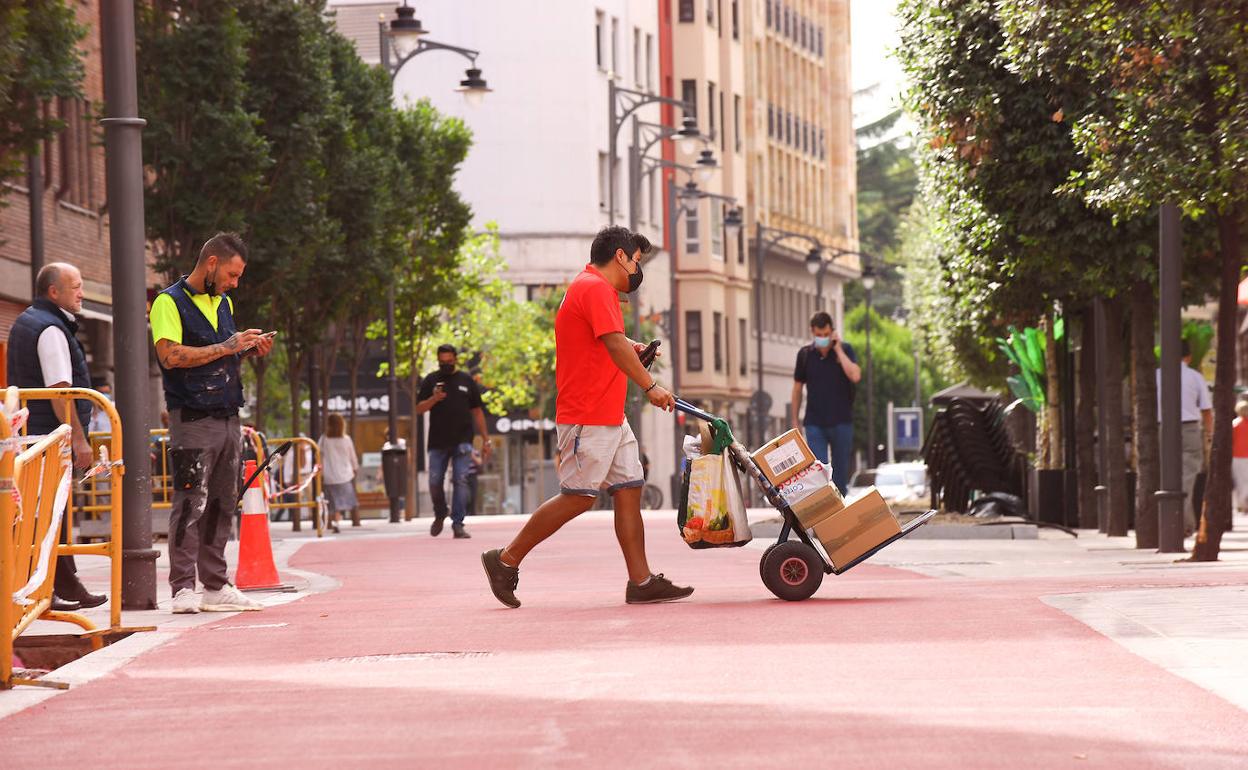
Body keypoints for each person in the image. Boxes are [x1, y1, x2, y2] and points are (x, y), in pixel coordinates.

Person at [481, 225, 689, 608]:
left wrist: (635, 347)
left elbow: (610, 339)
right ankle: (505, 560)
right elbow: (610, 341)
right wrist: (650, 386)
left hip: (609, 412)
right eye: (637, 262)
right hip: (587, 414)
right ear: (621, 257)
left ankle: (641, 582)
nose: (637, 271)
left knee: (629, 489)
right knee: (577, 497)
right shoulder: (593, 288)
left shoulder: (594, 288)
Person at [150, 232, 273, 613]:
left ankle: (216, 585)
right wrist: (229, 346)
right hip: (192, 418)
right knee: (190, 501)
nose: (234, 283)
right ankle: (183, 588)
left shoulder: (223, 303)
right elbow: (170, 356)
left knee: (222, 502)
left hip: (227, 417)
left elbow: (220, 359)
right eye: (232, 275)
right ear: (213, 263)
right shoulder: (167, 303)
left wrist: (247, 351)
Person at [6, 263, 106, 610]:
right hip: (49, 437)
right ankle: (46, 589)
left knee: (49, 513)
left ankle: (64, 583)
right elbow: (60, 390)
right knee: (49, 514)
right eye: (76, 287)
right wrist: (77, 439)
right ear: (54, 292)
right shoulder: (50, 329)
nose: (81, 293)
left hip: (33, 434)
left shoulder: (28, 321)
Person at [416, 344, 492, 539]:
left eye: (449, 362)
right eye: (442, 362)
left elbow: (477, 411)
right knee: (434, 481)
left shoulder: (466, 380)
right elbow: (419, 408)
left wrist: (486, 439)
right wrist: (434, 398)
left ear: (455, 359)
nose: (446, 365)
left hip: (463, 441)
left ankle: (458, 523)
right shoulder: (431, 380)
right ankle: (440, 512)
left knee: (460, 480)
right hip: (437, 442)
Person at [790, 311, 861, 495]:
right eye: (818, 335)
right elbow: (797, 389)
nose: (822, 338)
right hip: (815, 423)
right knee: (819, 473)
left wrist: (837, 350)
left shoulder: (845, 350)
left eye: (826, 335)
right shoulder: (805, 355)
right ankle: (823, 516)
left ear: (832, 332)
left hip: (842, 422)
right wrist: (794, 420)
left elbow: (855, 376)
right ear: (812, 332)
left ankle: (840, 517)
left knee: (840, 477)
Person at [1156, 339, 1212, 535]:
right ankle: (1184, 523)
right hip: (1189, 429)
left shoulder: (1157, 376)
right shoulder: (1195, 377)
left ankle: (1179, 522)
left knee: (1168, 477)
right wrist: (1209, 435)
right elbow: (1206, 409)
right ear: (1188, 356)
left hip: (1163, 428)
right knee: (1187, 478)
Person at [319, 413, 359, 534]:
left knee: (331, 501)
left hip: (329, 476)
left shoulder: (324, 439)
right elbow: (352, 456)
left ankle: (331, 522)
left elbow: (318, 454)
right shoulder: (346, 439)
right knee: (340, 502)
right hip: (345, 476)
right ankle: (337, 522)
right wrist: (355, 468)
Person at [1232, 401, 1248, 514]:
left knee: (1240, 481)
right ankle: (1243, 503)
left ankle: (1242, 504)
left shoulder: (1234, 424)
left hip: (1237, 456)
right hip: (1243, 455)